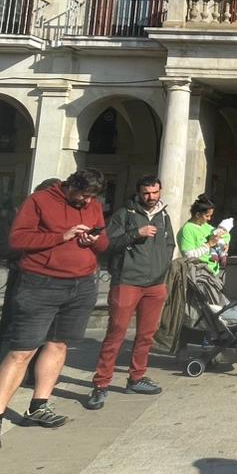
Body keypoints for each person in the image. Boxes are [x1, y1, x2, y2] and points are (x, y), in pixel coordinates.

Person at [0, 170, 109, 453]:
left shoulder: (93, 206)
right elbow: (17, 240)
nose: (87, 201)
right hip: (41, 283)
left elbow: (105, 243)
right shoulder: (39, 201)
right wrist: (62, 235)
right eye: (83, 195)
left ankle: (39, 405)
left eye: (92, 197)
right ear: (71, 186)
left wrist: (93, 241)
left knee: (59, 345)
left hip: (81, 284)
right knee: (22, 350)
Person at [87, 174, 176, 410]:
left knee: (147, 335)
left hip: (155, 284)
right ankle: (101, 384)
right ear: (139, 192)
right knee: (116, 333)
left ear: (160, 191)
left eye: (155, 192)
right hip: (127, 281)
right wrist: (136, 234)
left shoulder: (164, 215)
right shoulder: (124, 214)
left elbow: (170, 245)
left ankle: (136, 377)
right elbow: (107, 244)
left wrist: (162, 268)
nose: (151, 197)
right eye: (147, 193)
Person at [0, 178, 56, 402]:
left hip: (51, 281)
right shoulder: (17, 216)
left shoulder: (58, 221)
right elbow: (3, 248)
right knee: (9, 331)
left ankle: (33, 375)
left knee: (47, 331)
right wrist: (38, 246)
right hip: (22, 279)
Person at [179, 196, 230, 275]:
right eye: (207, 216)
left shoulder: (206, 226)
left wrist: (225, 243)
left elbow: (225, 234)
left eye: (210, 215)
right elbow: (189, 256)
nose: (209, 219)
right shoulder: (187, 230)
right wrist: (209, 244)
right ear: (198, 215)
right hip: (198, 274)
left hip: (214, 272)